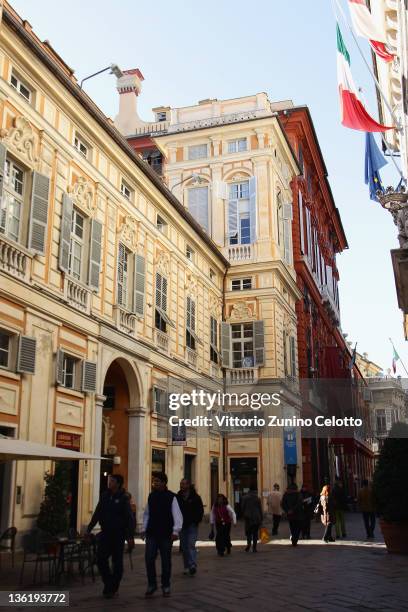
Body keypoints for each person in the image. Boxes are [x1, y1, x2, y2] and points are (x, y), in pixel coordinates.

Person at [86, 473, 135, 599]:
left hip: (118, 534)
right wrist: (89, 528)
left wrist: (130, 536)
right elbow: (97, 513)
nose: (109, 483)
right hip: (106, 533)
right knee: (101, 559)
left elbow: (129, 518)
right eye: (109, 480)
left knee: (117, 562)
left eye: (112, 481)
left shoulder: (123, 498)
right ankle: (108, 582)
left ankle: (113, 586)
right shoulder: (105, 496)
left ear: (118, 484)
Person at [142, 472, 183, 598]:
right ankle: (152, 584)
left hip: (166, 534)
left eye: (158, 481)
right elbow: (147, 513)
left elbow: (177, 514)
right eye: (154, 481)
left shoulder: (171, 497)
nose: (155, 483)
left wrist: (175, 531)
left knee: (166, 560)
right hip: (152, 532)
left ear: (164, 482)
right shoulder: (151, 496)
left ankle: (166, 585)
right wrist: (144, 528)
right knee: (149, 558)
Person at [176, 479, 204, 576]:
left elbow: (200, 510)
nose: (182, 486)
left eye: (183, 484)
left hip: (192, 525)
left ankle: (192, 565)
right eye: (181, 484)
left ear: (188, 485)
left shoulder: (195, 497)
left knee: (191, 544)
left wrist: (196, 520)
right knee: (184, 547)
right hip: (182, 525)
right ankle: (186, 566)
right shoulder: (177, 497)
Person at [241, 486, 263, 553]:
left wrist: (243, 515)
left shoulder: (245, 498)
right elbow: (260, 508)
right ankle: (254, 548)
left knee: (248, 532)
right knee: (255, 533)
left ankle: (249, 544)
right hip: (256, 517)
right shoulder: (257, 498)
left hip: (248, 517)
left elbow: (242, 507)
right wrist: (261, 517)